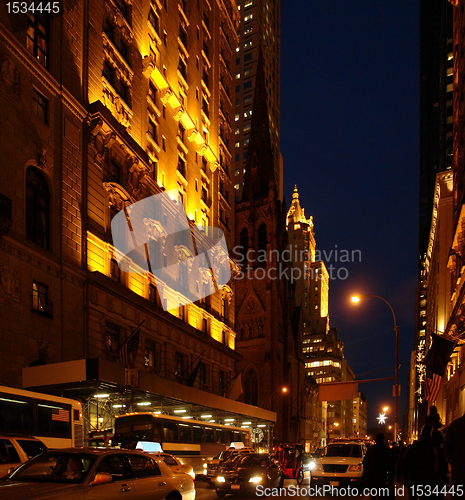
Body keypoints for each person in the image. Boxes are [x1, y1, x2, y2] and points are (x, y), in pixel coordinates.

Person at [400, 425, 437, 500]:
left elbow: (404, 461)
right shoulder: (431, 449)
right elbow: (434, 464)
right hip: (424, 478)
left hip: (412, 477)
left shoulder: (414, 447)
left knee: (412, 496)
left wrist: (404, 474)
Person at [362, 433, 392, 500]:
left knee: (373, 492)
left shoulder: (371, 449)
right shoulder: (386, 450)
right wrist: (390, 479)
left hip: (372, 474)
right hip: (382, 475)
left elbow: (366, 462)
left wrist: (365, 474)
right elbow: (390, 464)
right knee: (381, 493)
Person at [443, 411, 465, 487]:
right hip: (458, 469)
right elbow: (447, 446)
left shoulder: (455, 425)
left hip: (458, 470)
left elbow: (447, 447)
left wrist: (453, 461)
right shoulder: (456, 426)